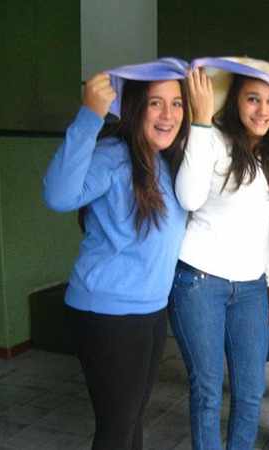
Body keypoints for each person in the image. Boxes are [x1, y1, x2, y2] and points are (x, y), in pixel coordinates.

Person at [43, 73, 190, 450]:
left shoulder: (168, 161)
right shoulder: (113, 155)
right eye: (155, 103)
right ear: (134, 108)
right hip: (108, 311)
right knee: (116, 429)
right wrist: (90, 116)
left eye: (176, 103)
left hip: (151, 308)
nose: (168, 114)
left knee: (131, 420)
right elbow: (58, 196)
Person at [168, 68, 269, 450]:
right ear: (236, 100)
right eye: (252, 99)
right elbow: (188, 198)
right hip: (199, 281)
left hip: (252, 287)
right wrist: (200, 122)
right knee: (207, 389)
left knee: (251, 391)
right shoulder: (211, 138)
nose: (263, 110)